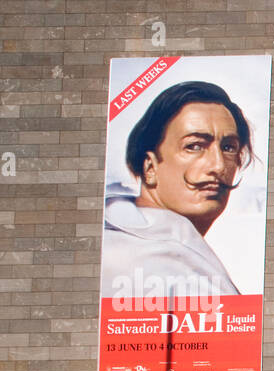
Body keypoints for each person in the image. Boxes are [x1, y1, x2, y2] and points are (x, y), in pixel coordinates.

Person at [100, 81, 253, 301]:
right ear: (149, 166)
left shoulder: (174, 246)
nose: (218, 165)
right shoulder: (142, 254)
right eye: (194, 146)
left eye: (228, 147)